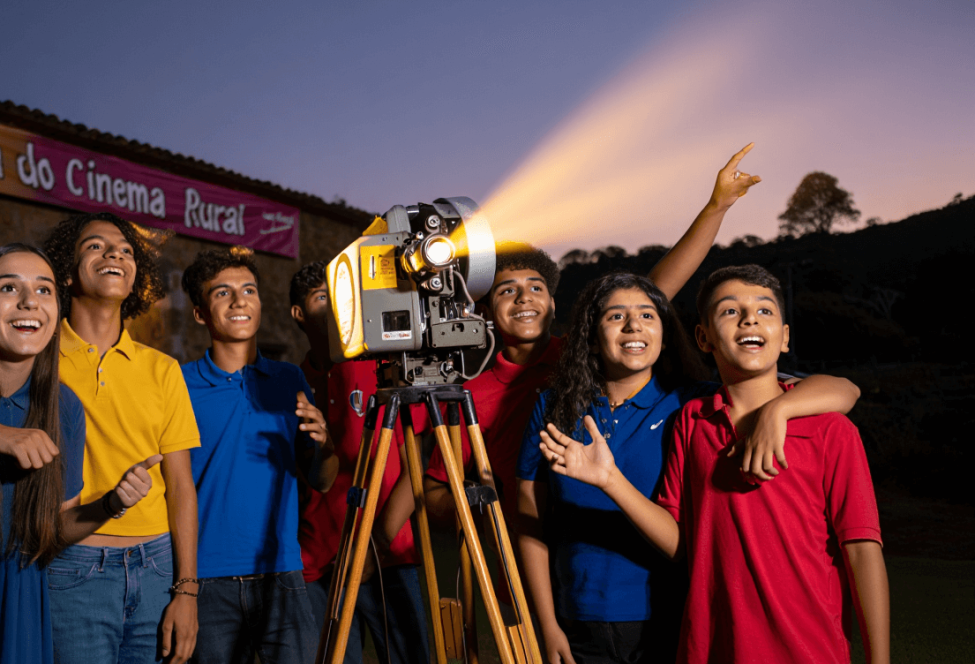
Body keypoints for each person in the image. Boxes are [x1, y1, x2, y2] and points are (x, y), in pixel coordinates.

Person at [378, 144, 769, 600]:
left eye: (536, 288)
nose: (524, 298)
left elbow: (656, 289)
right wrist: (465, 505)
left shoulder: (583, 356)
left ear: (553, 303)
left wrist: (715, 208)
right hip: (528, 558)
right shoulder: (473, 393)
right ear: (483, 311)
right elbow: (427, 485)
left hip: (599, 555)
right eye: (507, 291)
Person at [0, 213, 201, 664]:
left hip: (143, 565)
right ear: (67, 272)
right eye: (96, 246)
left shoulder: (146, 373)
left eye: (126, 250)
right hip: (59, 565)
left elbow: (180, 486)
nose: (115, 253)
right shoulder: (26, 347)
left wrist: (185, 586)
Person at [538, 265, 889, 664]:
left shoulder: (831, 430)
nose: (750, 319)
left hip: (808, 651)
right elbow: (680, 544)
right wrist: (610, 479)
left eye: (764, 310)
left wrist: (777, 411)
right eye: (730, 310)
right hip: (708, 649)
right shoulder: (692, 421)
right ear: (703, 338)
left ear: (785, 337)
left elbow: (862, 552)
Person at [179, 247, 337, 664]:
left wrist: (324, 444)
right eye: (222, 293)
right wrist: (184, 587)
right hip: (206, 579)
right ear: (200, 313)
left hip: (281, 573)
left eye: (249, 290)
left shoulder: (289, 379)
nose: (239, 301)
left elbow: (322, 479)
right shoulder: (179, 385)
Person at [289, 260, 430, 664]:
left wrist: (376, 543)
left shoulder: (382, 369)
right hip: (319, 561)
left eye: (341, 297)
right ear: (299, 314)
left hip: (386, 555)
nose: (335, 307)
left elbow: (416, 462)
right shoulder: (293, 381)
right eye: (322, 298)